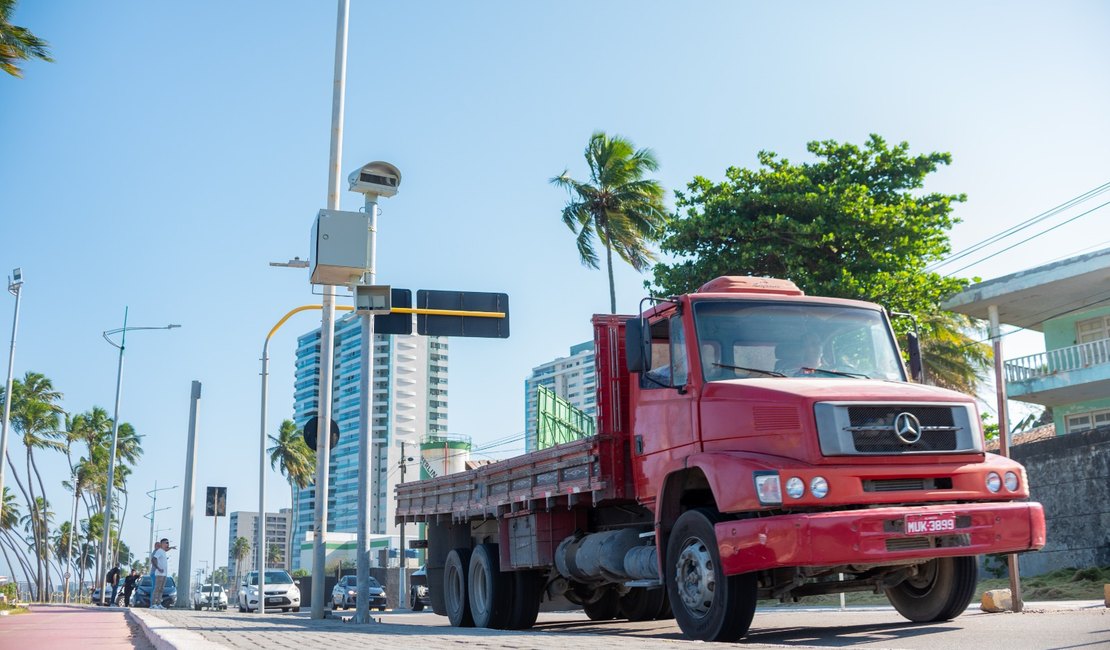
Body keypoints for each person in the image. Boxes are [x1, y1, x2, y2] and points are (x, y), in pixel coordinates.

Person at [150, 538, 170, 609]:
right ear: (161, 544)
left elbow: (168, 549)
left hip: (164, 574)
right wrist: (158, 568)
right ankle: (153, 604)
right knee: (157, 589)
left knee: (161, 589)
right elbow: (153, 559)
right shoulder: (159, 551)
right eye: (166, 543)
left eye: (168, 543)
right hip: (159, 574)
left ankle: (158, 604)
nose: (167, 544)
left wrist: (171, 548)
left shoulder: (164, 552)